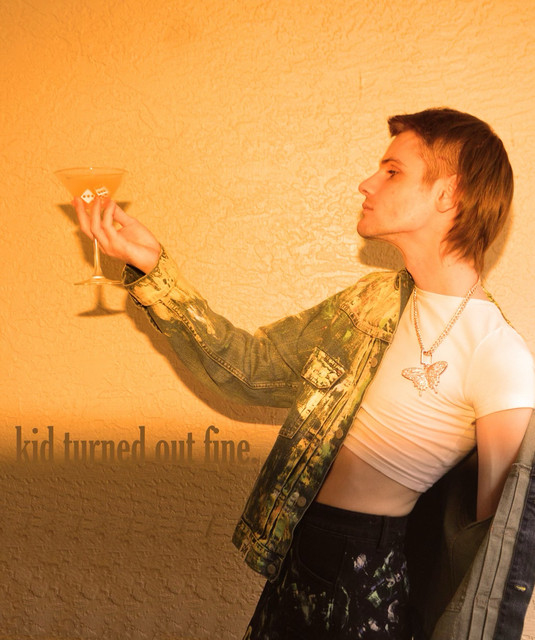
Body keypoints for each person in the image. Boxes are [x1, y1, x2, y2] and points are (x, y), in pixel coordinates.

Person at [74, 108, 535, 639]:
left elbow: (489, 557)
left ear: (448, 195)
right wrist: (154, 267)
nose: (367, 183)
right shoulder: (371, 302)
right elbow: (248, 368)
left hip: (366, 576)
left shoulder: (499, 354)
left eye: (392, 171)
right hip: (299, 554)